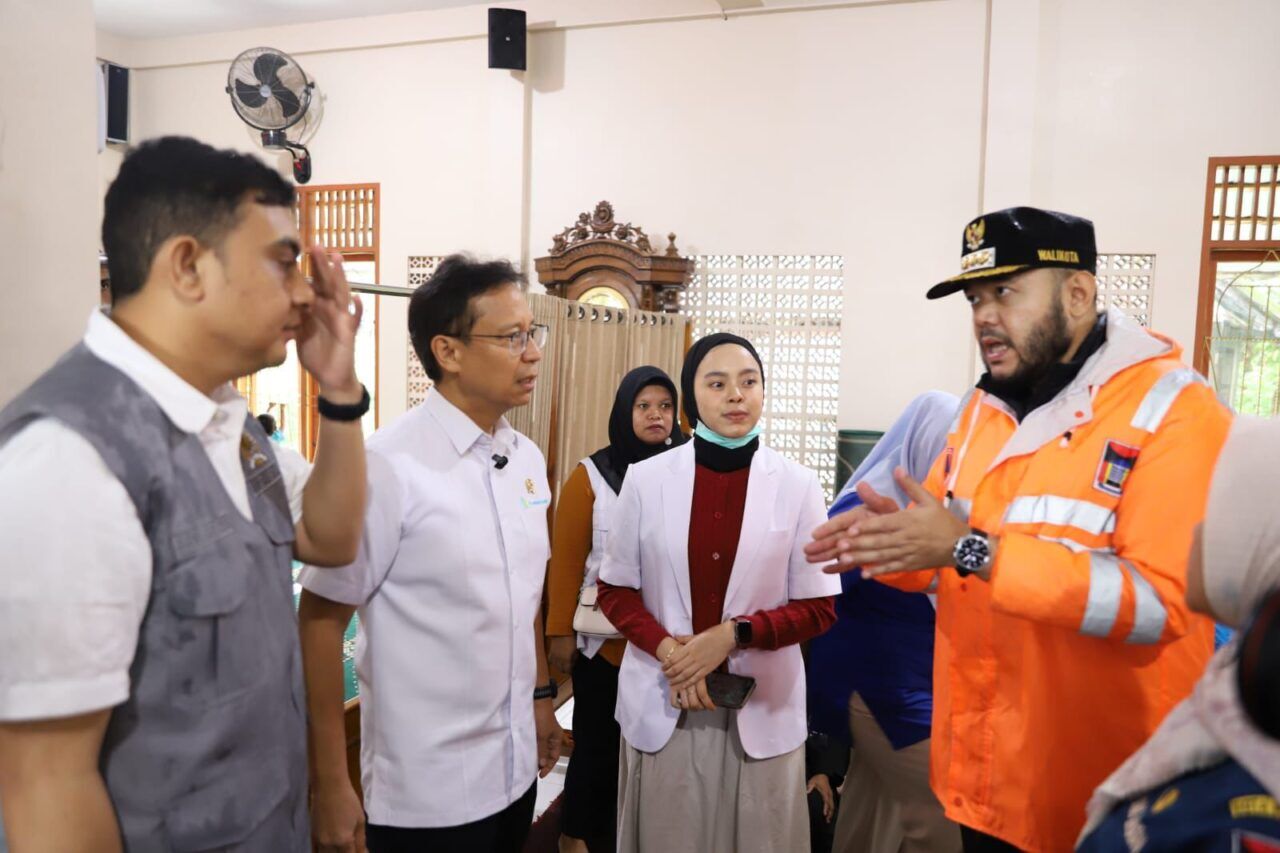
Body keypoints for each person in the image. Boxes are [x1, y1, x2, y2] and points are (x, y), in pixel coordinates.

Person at [807, 207, 1233, 852]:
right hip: (993, 781)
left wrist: (966, 548)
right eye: (975, 299)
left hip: (1115, 794)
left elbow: (1160, 603)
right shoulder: (984, 410)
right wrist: (899, 546)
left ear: (1078, 293)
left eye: (1005, 292)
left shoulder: (1173, 410)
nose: (984, 316)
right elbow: (956, 562)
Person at [0, 136, 368, 851]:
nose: (304, 293)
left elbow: (331, 537)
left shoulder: (224, 418)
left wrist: (340, 389)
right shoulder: (70, 460)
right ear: (188, 266)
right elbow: (48, 788)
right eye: (283, 261)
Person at [299, 254, 563, 853]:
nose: (533, 354)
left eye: (533, 333)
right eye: (512, 337)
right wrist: (329, 782)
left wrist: (541, 698)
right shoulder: (387, 466)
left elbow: (522, 596)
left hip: (514, 769)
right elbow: (318, 620)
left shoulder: (523, 458)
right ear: (448, 351)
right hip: (428, 795)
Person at [597, 332, 843, 853]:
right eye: (717, 383)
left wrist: (734, 635)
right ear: (691, 398)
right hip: (668, 699)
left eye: (748, 382)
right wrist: (674, 654)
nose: (736, 394)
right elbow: (615, 590)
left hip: (763, 708)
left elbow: (818, 607)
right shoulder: (646, 480)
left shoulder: (798, 484)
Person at [1077, 416, 1280, 851]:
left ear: (1261, 541)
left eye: (1210, 510)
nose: (1194, 530)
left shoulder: (1243, 822)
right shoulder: (1240, 695)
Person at [808, 391, 962, 853]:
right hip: (880, 687)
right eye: (944, 453)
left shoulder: (934, 517)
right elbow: (821, 591)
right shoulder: (868, 507)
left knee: (871, 813)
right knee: (944, 816)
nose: (950, 467)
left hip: (912, 681)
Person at [545, 365, 687, 853]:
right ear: (624, 413)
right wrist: (559, 634)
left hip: (671, 649)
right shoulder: (591, 476)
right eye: (643, 406)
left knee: (660, 753)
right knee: (598, 748)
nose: (655, 415)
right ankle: (577, 836)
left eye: (665, 406)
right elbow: (566, 562)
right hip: (604, 647)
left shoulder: (689, 470)